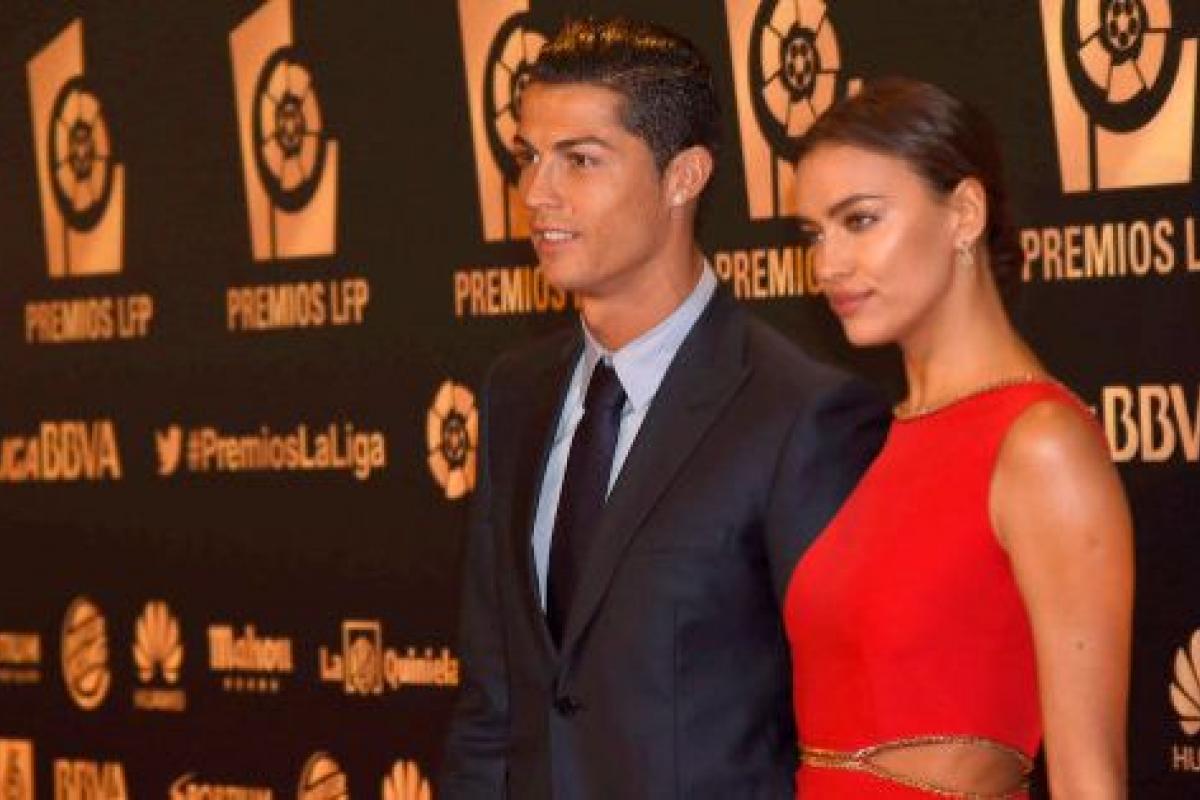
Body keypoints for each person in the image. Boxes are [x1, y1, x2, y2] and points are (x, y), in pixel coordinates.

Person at [440, 17, 889, 800]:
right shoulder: (515, 392)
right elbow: (493, 704)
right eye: (528, 157)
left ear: (683, 176)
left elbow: (844, 729)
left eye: (580, 160)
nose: (536, 193)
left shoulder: (799, 415)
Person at [787, 77, 1134, 798]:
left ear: (965, 214)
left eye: (860, 220)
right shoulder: (883, 437)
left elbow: (1088, 779)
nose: (828, 265)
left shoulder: (1041, 445)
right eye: (815, 234)